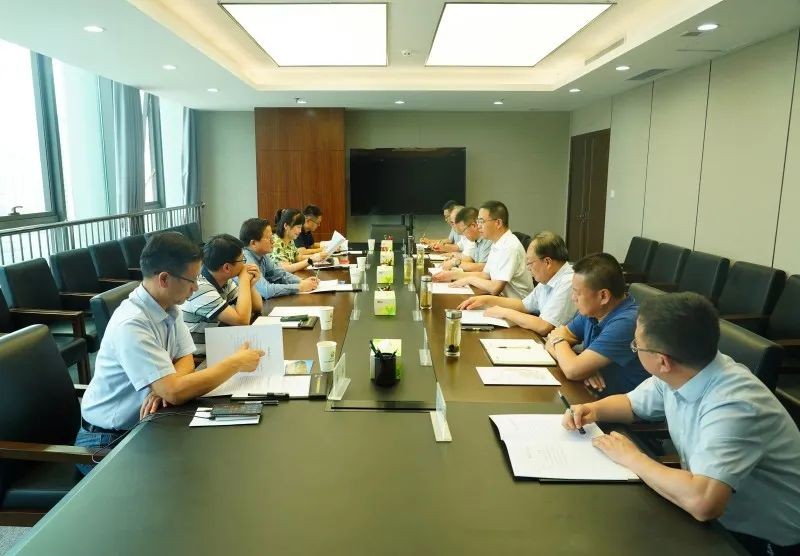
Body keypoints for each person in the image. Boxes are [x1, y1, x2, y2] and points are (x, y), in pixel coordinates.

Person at [563, 292, 800, 555]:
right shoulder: (685, 368)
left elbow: (703, 502)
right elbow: (631, 404)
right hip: (717, 515)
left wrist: (632, 458)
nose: (634, 348)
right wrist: (592, 410)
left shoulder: (734, 404)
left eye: (636, 345)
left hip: (766, 540)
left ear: (662, 361)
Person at [76, 232, 265, 473]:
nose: (196, 287)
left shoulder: (168, 306)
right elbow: (174, 393)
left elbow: (185, 358)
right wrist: (235, 363)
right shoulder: (132, 323)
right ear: (164, 279)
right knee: (200, 473)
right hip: (106, 442)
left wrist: (165, 385)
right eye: (191, 280)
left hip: (150, 422)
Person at [544, 252, 648, 395]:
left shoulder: (627, 322)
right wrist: (583, 368)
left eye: (577, 293)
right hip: (593, 395)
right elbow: (551, 343)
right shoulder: (593, 312)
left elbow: (572, 370)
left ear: (603, 296)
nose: (573, 298)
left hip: (621, 405)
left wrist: (558, 341)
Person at [457, 231, 575, 336]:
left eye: (530, 263)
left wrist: (505, 312)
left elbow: (544, 326)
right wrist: (486, 300)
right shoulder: (549, 278)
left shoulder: (568, 282)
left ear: (547, 262)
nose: (528, 268)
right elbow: (524, 305)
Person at [181, 233, 263, 348]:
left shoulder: (224, 281)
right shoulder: (201, 288)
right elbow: (242, 321)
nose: (245, 264)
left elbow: (257, 307)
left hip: (219, 346)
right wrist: (244, 280)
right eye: (242, 260)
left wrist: (249, 285)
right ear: (227, 267)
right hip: (199, 357)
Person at [440, 200, 533, 299]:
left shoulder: (509, 247)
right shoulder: (497, 242)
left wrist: (469, 279)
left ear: (498, 223)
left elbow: (495, 288)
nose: (478, 226)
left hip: (518, 303)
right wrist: (453, 275)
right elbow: (486, 275)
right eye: (478, 221)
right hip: (503, 298)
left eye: (481, 221)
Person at [239, 217, 320, 298]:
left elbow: (280, 274)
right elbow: (266, 290)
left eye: (272, 237)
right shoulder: (246, 261)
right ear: (253, 243)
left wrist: (301, 281)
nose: (273, 241)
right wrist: (299, 287)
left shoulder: (263, 255)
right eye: (269, 238)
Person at [272, 208, 328, 273]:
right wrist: (311, 260)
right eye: (298, 227)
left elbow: (299, 258)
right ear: (286, 226)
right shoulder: (275, 242)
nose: (300, 231)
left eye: (301, 227)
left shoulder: (290, 241)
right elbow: (286, 268)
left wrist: (319, 256)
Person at [439, 207, 491, 274]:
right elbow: (473, 261)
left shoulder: (487, 239)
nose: (463, 235)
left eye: (464, 230)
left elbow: (481, 268)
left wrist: (455, 262)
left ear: (473, 226)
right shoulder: (476, 240)